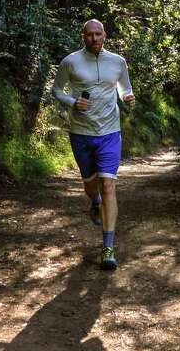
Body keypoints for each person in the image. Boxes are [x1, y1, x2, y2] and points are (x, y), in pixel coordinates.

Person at [52, 19, 135, 270]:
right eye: (89, 35)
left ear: (105, 35)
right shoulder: (70, 62)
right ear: (83, 37)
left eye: (98, 34)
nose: (94, 38)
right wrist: (72, 102)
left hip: (110, 132)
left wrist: (128, 97)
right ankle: (95, 202)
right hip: (81, 133)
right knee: (91, 185)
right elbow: (57, 90)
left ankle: (108, 248)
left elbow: (125, 88)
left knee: (108, 185)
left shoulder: (118, 62)